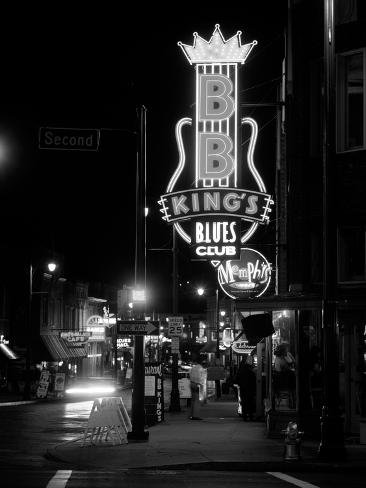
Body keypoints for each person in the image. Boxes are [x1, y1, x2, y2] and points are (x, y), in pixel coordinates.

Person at [234, 355, 256, 421]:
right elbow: (254, 380)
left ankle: (245, 416)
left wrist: (239, 384)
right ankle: (251, 415)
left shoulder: (241, 371)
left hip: (243, 388)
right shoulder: (251, 371)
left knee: (244, 402)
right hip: (250, 388)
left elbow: (236, 380)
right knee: (250, 402)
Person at [189, 354, 206, 420]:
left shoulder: (193, 368)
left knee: (193, 400)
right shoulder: (201, 369)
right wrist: (201, 385)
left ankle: (192, 414)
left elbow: (190, 375)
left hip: (192, 383)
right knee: (197, 401)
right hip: (197, 385)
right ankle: (195, 415)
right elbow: (200, 378)